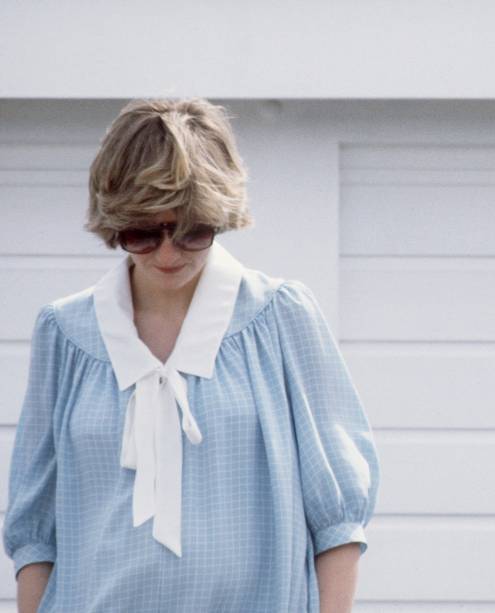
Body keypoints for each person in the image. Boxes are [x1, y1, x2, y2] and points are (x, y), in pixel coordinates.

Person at [4, 99, 379, 613]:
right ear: (114, 223)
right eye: (142, 232)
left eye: (191, 230)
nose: (167, 253)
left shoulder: (279, 318)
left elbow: (337, 517)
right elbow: (35, 529)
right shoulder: (65, 334)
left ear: (219, 217)